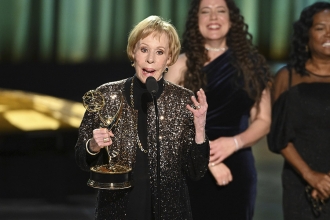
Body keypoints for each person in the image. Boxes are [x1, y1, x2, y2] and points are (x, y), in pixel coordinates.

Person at [75, 15, 210, 220]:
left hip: (170, 212)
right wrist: (93, 145)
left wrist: (200, 128)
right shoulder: (107, 95)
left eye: (160, 52)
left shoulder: (183, 101)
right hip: (117, 211)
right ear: (133, 52)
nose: (150, 59)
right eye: (144, 49)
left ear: (170, 59)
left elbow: (196, 171)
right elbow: (81, 160)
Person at [164, 0, 272, 219]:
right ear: (196, 21)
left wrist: (234, 143)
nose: (213, 17)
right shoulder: (180, 65)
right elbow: (165, 121)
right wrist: (208, 158)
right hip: (190, 164)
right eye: (206, 11)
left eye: (220, 11)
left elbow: (263, 120)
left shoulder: (252, 65)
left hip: (237, 167)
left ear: (232, 20)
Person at [267, 2, 330, 219]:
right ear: (307, 34)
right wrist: (311, 177)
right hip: (299, 182)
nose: (328, 34)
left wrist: (327, 181)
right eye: (320, 28)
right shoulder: (287, 77)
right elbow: (279, 135)